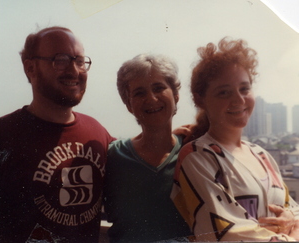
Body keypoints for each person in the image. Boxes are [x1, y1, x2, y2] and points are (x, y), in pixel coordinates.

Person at [0, 26, 114, 243]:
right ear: (30, 68)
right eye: (60, 60)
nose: (74, 70)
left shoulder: (97, 132)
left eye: (80, 61)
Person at [171, 37, 299, 241]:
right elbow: (226, 233)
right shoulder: (197, 157)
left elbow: (293, 210)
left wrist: (292, 220)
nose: (239, 99)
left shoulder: (262, 155)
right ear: (200, 99)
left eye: (244, 89)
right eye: (224, 92)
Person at [103, 54, 191, 242]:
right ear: (128, 105)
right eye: (139, 93)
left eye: (159, 88)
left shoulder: (194, 154)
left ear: (176, 96)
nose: (151, 98)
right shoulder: (113, 156)